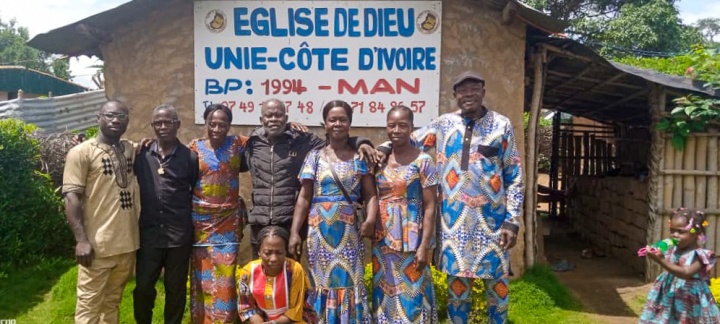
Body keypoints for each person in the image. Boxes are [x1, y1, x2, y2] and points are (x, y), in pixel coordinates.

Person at [376, 71, 524, 323]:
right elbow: (405, 139)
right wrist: (378, 147)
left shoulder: (501, 125)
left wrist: (512, 220)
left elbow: (515, 175)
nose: (468, 94)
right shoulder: (443, 124)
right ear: (455, 95)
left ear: (483, 92)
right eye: (463, 90)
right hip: (452, 226)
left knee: (497, 292)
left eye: (474, 89)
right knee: (458, 293)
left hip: (492, 224)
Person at [245, 98, 374, 258]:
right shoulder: (251, 143)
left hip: (289, 220)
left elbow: (334, 139)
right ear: (261, 120)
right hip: (260, 221)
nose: (273, 120)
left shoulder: (301, 140)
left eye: (278, 116)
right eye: (268, 116)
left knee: (292, 274)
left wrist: (360, 142)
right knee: (259, 274)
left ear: (285, 119)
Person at [289, 100, 378, 323]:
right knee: (322, 282)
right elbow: (304, 197)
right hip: (319, 231)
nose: (337, 123)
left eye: (342, 119)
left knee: (350, 280)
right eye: (332, 119)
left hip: (349, 231)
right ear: (325, 124)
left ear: (349, 123)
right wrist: (293, 232)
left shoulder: (360, 157)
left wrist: (370, 219)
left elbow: (370, 194)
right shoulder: (314, 157)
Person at [63, 100, 140, 323]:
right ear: (99, 118)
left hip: (126, 245)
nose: (116, 120)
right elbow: (71, 197)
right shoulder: (81, 153)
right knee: (89, 306)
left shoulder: (128, 149)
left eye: (122, 116)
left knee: (112, 302)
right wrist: (81, 240)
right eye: (110, 115)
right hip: (97, 247)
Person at [132, 104, 198, 324]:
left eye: (167, 122)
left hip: (178, 236)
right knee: (143, 287)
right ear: (152, 126)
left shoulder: (190, 158)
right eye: (158, 123)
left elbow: (195, 189)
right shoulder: (141, 155)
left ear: (177, 125)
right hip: (149, 234)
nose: (162, 127)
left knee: (175, 289)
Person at [372, 106, 439, 323]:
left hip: (412, 240)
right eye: (392, 125)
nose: (396, 130)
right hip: (382, 241)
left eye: (403, 125)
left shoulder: (423, 161)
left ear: (412, 128)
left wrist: (424, 246)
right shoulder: (380, 159)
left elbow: (430, 206)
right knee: (384, 293)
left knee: (412, 294)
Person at [188, 103, 248, 323]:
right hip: (200, 221)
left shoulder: (238, 144)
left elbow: (266, 137)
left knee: (226, 276)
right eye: (212, 124)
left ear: (229, 125)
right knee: (201, 275)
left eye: (222, 124)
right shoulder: (194, 147)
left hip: (227, 221)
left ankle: (224, 319)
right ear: (206, 123)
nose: (216, 128)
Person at [640, 208, 720, 323]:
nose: (675, 235)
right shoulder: (672, 249)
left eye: (681, 231)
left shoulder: (700, 255)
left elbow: (686, 273)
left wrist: (661, 260)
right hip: (669, 294)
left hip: (690, 298)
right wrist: (653, 250)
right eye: (672, 230)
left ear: (696, 232)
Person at [238, 226, 318, 324]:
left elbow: (296, 310)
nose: (274, 258)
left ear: (285, 252)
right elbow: (247, 307)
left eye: (279, 252)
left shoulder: (294, 270)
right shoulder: (248, 272)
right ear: (259, 252)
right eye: (267, 253)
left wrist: (274, 323)